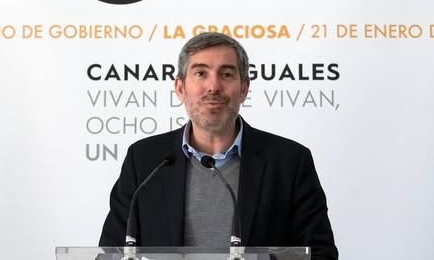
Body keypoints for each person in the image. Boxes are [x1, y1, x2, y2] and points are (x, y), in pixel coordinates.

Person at [99, 32, 338, 259]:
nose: (213, 87)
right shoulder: (144, 159)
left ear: (244, 88)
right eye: (201, 73)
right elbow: (111, 253)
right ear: (180, 88)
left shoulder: (289, 161)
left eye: (226, 74)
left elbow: (320, 254)